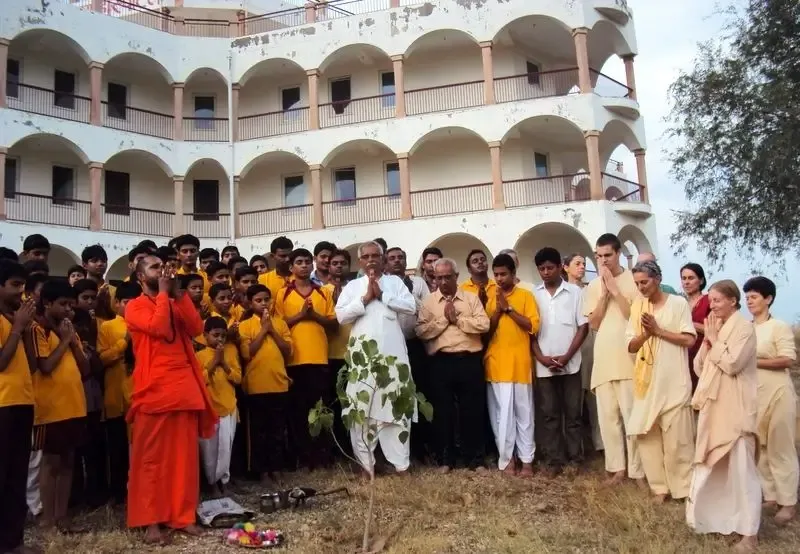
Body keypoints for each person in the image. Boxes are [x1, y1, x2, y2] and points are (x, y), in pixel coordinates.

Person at [125, 255, 217, 544]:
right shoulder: (135, 306)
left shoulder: (173, 301)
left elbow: (196, 328)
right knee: (151, 460)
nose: (162, 270)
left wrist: (178, 295)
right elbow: (160, 328)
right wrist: (164, 293)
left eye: (162, 267)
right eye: (154, 267)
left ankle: (182, 516)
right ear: (141, 277)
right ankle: (151, 522)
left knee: (184, 459)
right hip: (153, 390)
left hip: (183, 388)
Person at [687, 280, 760, 553]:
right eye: (711, 301)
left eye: (717, 301)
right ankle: (721, 520)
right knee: (715, 466)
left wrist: (715, 341)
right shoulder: (716, 328)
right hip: (714, 406)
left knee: (743, 471)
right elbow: (699, 368)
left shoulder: (745, 329)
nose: (713, 306)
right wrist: (707, 343)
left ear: (733, 301)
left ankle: (750, 533)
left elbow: (731, 364)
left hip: (737, 408)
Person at [335, 241, 417, 476]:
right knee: (362, 407)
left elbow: (410, 306)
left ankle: (401, 465)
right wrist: (365, 299)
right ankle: (365, 464)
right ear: (360, 261)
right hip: (363, 360)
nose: (371, 260)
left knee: (396, 405)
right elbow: (341, 316)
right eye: (366, 256)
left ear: (382, 259)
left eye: (375, 255)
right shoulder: (353, 286)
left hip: (394, 357)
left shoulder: (395, 282)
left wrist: (383, 296)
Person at [626, 261, 696, 502]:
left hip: (674, 381)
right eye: (637, 284)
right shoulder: (637, 306)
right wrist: (646, 333)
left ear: (657, 279)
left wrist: (658, 331)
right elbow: (630, 345)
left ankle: (684, 489)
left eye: (644, 282)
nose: (641, 287)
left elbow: (689, 340)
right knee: (646, 436)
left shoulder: (678, 304)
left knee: (678, 441)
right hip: (646, 382)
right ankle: (659, 488)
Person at [415, 257, 489, 473]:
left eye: (448, 277)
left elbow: (484, 324)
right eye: (439, 278)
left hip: (469, 359)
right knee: (443, 413)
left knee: (472, 411)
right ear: (433, 278)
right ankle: (445, 460)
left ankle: (475, 460)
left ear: (457, 277)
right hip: (441, 362)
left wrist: (459, 321)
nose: (444, 281)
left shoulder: (471, 298)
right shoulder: (429, 302)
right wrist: (444, 322)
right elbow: (420, 331)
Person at [584, 233, 644, 486]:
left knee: (632, 416)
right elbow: (594, 323)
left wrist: (616, 289)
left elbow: (634, 315)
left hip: (628, 358)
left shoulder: (634, 279)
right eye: (599, 256)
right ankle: (616, 469)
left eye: (608, 255)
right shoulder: (592, 286)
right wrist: (604, 293)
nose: (604, 260)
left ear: (618, 253)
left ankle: (638, 470)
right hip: (604, 359)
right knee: (608, 419)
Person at [32, 280, 90, 532]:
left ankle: (62, 516)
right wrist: (65, 340)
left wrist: (73, 341)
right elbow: (45, 366)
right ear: (47, 303)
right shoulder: (38, 329)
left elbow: (85, 369)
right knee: (51, 463)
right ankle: (47, 519)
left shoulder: (70, 331)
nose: (69, 310)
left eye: (71, 305)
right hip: (50, 409)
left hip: (75, 405)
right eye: (63, 304)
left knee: (68, 462)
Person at [275, 248, 337, 469]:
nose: (303, 265)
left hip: (319, 357)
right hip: (294, 360)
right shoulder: (282, 293)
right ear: (290, 267)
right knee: (298, 410)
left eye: (306, 262)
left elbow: (334, 324)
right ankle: (302, 457)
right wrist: (301, 315)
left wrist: (315, 316)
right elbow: (278, 326)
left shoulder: (323, 293)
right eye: (298, 262)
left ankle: (322, 456)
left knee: (320, 407)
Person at [743, 276, 798, 525]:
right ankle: (771, 495)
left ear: (768, 299)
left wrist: (755, 362)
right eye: (747, 298)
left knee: (780, 448)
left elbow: (787, 359)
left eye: (754, 297)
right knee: (760, 447)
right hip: (755, 394)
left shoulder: (778, 327)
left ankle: (789, 502)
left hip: (778, 393)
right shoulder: (746, 328)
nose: (749, 302)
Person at [531, 248, 588, 475]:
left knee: (573, 415)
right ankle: (554, 461)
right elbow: (530, 332)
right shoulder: (533, 294)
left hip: (571, 363)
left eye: (550, 268)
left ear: (559, 268)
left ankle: (575, 460)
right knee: (549, 415)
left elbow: (583, 327)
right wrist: (541, 358)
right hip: (544, 365)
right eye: (541, 269)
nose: (546, 272)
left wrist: (566, 357)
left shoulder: (574, 292)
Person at [484, 254, 539, 476]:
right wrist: (498, 309)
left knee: (524, 415)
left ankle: (527, 460)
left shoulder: (526, 296)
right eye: (496, 274)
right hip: (497, 364)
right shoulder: (491, 298)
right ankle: (507, 459)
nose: (499, 278)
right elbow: (486, 331)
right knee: (502, 416)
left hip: (520, 363)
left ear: (513, 274)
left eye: (503, 274)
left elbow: (532, 326)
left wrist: (509, 309)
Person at [0, 260, 38, 554]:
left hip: (23, 401)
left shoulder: (15, 318)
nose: (21, 291)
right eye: (14, 285)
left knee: (16, 477)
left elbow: (33, 364)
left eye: (23, 285)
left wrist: (24, 329)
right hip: (3, 404)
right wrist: (18, 328)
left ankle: (13, 542)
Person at [238, 284, 292, 484]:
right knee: (259, 432)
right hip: (256, 387)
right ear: (250, 303)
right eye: (258, 301)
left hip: (279, 383)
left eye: (266, 300)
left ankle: (276, 468)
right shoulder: (244, 325)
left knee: (277, 430)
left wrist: (272, 330)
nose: (263, 304)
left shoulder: (281, 323)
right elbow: (247, 352)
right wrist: (263, 330)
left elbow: (288, 350)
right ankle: (262, 471)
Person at [98, 281, 141, 505]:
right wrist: (123, 344)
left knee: (139, 449)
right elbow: (102, 358)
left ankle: (137, 491)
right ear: (116, 303)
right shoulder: (107, 327)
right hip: (115, 395)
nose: (131, 306)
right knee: (116, 448)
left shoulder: (144, 326)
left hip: (138, 395)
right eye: (126, 302)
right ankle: (117, 493)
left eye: (136, 302)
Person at [386, 247, 430, 460]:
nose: (396, 261)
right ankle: (394, 449)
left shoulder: (418, 283)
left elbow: (427, 309)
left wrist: (409, 296)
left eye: (400, 258)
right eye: (392, 258)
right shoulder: (382, 284)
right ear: (386, 263)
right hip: (390, 347)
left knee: (418, 392)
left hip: (415, 344)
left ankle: (420, 448)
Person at [70, 279, 108, 509]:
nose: (90, 302)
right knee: (74, 451)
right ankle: (75, 496)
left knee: (95, 446)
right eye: (85, 298)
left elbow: (98, 366)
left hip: (94, 396)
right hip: (74, 398)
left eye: (93, 298)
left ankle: (96, 492)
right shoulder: (65, 328)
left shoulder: (99, 327)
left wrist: (92, 355)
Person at [196, 316, 241, 497]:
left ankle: (225, 482)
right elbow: (199, 381)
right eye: (215, 335)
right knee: (210, 452)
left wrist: (224, 363)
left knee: (226, 449)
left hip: (229, 407)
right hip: (210, 410)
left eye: (223, 336)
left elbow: (238, 378)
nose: (220, 339)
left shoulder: (230, 352)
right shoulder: (199, 356)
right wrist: (215, 361)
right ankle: (212, 484)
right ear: (206, 335)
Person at [564, 253, 603, 455]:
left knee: (594, 395)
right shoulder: (563, 292)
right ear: (566, 267)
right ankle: (575, 447)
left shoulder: (589, 290)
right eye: (577, 264)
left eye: (584, 264)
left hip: (590, 346)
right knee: (572, 400)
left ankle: (599, 443)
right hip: (569, 347)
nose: (581, 267)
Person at [322, 249, 352, 453]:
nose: (339, 266)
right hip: (330, 354)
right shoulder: (320, 291)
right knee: (333, 403)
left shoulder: (357, 289)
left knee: (352, 403)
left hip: (353, 355)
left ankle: (353, 447)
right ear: (328, 266)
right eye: (335, 263)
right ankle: (335, 449)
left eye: (343, 262)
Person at [681, 263, 710, 393]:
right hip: (683, 356)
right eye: (684, 278)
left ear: (701, 280)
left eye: (691, 278)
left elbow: (714, 330)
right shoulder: (680, 303)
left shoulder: (708, 301)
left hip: (703, 355)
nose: (686, 282)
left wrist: (688, 323)